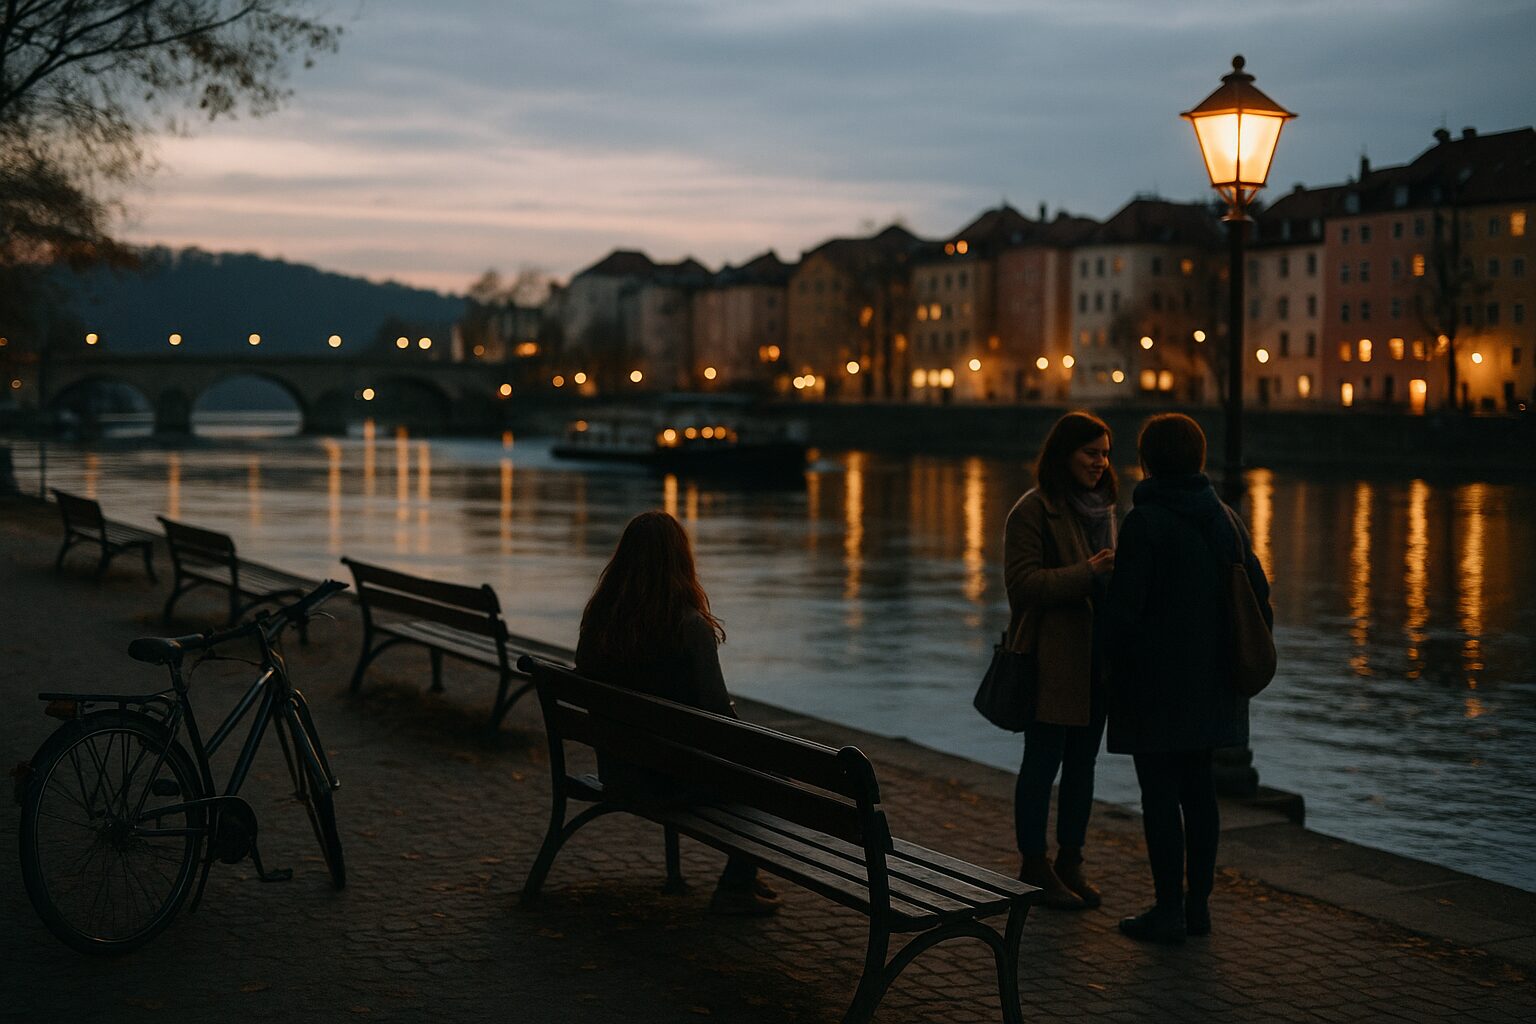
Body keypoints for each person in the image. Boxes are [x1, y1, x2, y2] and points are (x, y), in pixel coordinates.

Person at [1106, 413, 1272, 944]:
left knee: (1159, 798)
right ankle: (1197, 907)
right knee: (1200, 795)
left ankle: (1167, 909)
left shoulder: (1145, 522)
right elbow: (1260, 600)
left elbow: (1124, 614)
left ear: (1148, 461)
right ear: (1199, 459)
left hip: (1155, 689)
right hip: (1213, 686)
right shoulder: (1225, 518)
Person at [575, 509, 779, 916]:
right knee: (770, 781)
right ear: (681, 560)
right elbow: (718, 717)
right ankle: (736, 886)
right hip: (671, 782)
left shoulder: (600, 618)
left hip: (620, 771)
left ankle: (746, 876)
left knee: (755, 772)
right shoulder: (688, 626)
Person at [1003, 410, 1117, 910]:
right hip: (1051, 661)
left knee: (1083, 766)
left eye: (1105, 453)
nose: (1100, 463)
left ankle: (1071, 860)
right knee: (1042, 763)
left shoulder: (1106, 508)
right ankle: (1034, 863)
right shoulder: (1031, 510)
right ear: (1064, 454)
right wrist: (1088, 574)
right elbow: (1022, 585)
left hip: (1098, 660)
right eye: (1090, 453)